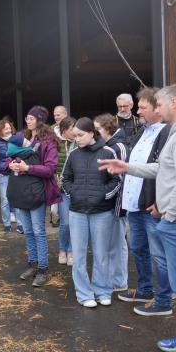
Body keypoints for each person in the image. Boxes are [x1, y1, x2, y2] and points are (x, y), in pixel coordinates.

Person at [99, 84, 176, 352]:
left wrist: (170, 215)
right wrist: (128, 168)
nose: (156, 109)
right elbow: (164, 169)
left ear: (173, 102)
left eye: (159, 104)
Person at [118, 87, 172, 316]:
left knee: (159, 255)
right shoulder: (143, 131)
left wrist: (160, 202)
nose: (137, 111)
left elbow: (167, 171)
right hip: (135, 203)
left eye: (142, 107)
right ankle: (145, 290)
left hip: (152, 206)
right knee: (139, 248)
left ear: (157, 109)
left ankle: (164, 300)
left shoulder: (167, 132)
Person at [62, 117, 121, 307]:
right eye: (75, 136)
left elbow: (117, 180)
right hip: (77, 211)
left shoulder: (108, 152)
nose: (77, 139)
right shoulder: (73, 155)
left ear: (91, 133)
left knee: (101, 254)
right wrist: (74, 193)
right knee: (78, 256)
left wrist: (103, 196)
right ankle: (84, 294)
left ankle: (102, 291)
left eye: (80, 135)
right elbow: (65, 179)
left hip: (101, 212)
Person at [8, 106, 62, 287]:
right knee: (28, 230)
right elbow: (8, 155)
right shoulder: (22, 136)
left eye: (31, 118)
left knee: (38, 231)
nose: (28, 121)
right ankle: (32, 264)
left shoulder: (48, 140)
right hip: (21, 189)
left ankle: (42, 269)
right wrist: (11, 164)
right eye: (27, 118)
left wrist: (27, 168)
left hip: (37, 190)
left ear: (40, 120)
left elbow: (50, 168)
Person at [94, 113, 129, 293]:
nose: (95, 133)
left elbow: (122, 178)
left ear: (107, 128)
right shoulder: (107, 145)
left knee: (117, 244)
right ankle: (112, 278)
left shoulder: (118, 147)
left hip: (117, 203)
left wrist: (111, 199)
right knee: (109, 244)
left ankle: (119, 281)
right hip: (109, 202)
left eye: (97, 129)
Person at [55, 116, 77, 265]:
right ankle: (63, 249)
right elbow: (51, 165)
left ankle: (71, 250)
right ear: (63, 130)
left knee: (75, 222)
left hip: (77, 188)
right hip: (62, 189)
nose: (75, 131)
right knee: (65, 222)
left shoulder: (79, 142)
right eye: (71, 129)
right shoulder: (55, 143)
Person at [50, 106, 69, 227]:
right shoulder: (51, 130)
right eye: (55, 115)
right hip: (56, 171)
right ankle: (55, 218)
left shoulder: (73, 127)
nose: (56, 117)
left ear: (65, 114)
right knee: (55, 201)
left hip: (69, 171)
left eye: (58, 115)